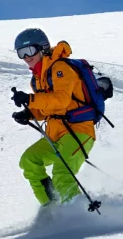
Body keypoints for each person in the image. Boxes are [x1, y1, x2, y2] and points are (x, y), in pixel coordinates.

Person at [11, 28, 96, 206]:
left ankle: (77, 217)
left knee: (62, 173)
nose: (26, 57)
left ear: (42, 48)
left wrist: (30, 99)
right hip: (56, 134)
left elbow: (61, 101)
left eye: (29, 51)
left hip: (79, 131)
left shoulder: (60, 67)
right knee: (29, 160)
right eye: (21, 53)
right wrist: (29, 113)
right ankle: (51, 207)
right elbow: (48, 109)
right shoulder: (37, 79)